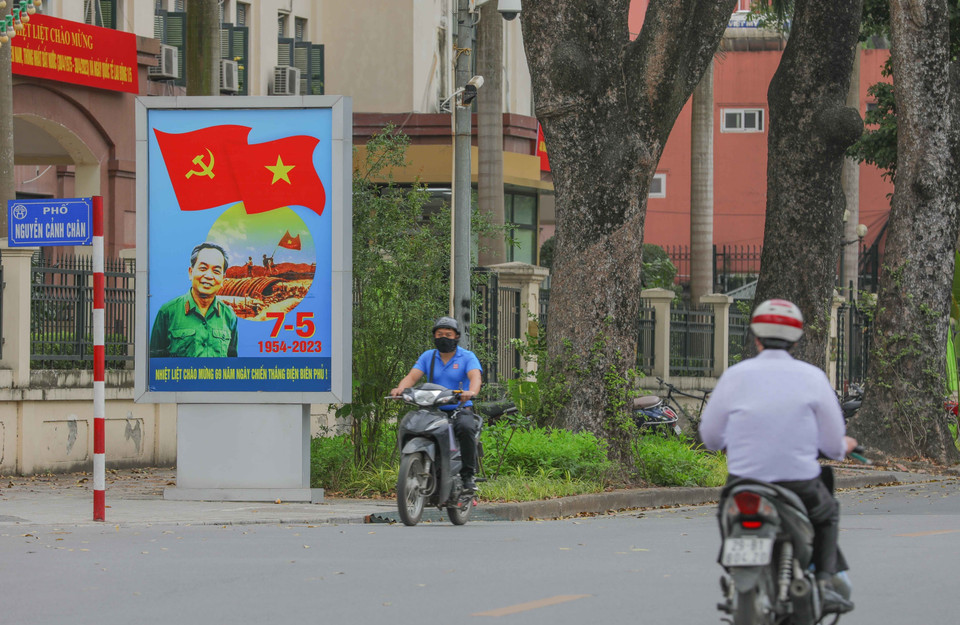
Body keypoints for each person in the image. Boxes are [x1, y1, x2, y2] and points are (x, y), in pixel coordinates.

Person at [699, 299, 857, 615]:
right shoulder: (812, 377)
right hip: (798, 484)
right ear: (796, 339)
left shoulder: (735, 376)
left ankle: (732, 570)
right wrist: (846, 446)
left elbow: (711, 438)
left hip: (744, 483)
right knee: (826, 515)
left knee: (727, 514)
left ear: (756, 336)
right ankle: (825, 583)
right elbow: (832, 445)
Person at [391, 317, 482, 492]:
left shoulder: (467, 357)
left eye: (448, 334)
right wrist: (400, 389)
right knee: (412, 425)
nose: (443, 338)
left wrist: (471, 392)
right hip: (433, 409)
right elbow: (412, 377)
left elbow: (475, 377)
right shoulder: (428, 356)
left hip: (459, 409)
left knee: (466, 427)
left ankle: (467, 475)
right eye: (439, 334)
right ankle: (411, 469)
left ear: (456, 337)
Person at [150, 242, 239, 358]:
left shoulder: (229, 316)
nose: (208, 276)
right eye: (203, 268)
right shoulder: (168, 312)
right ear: (191, 272)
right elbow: (154, 364)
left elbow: (231, 365)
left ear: (222, 279)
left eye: (216, 271)